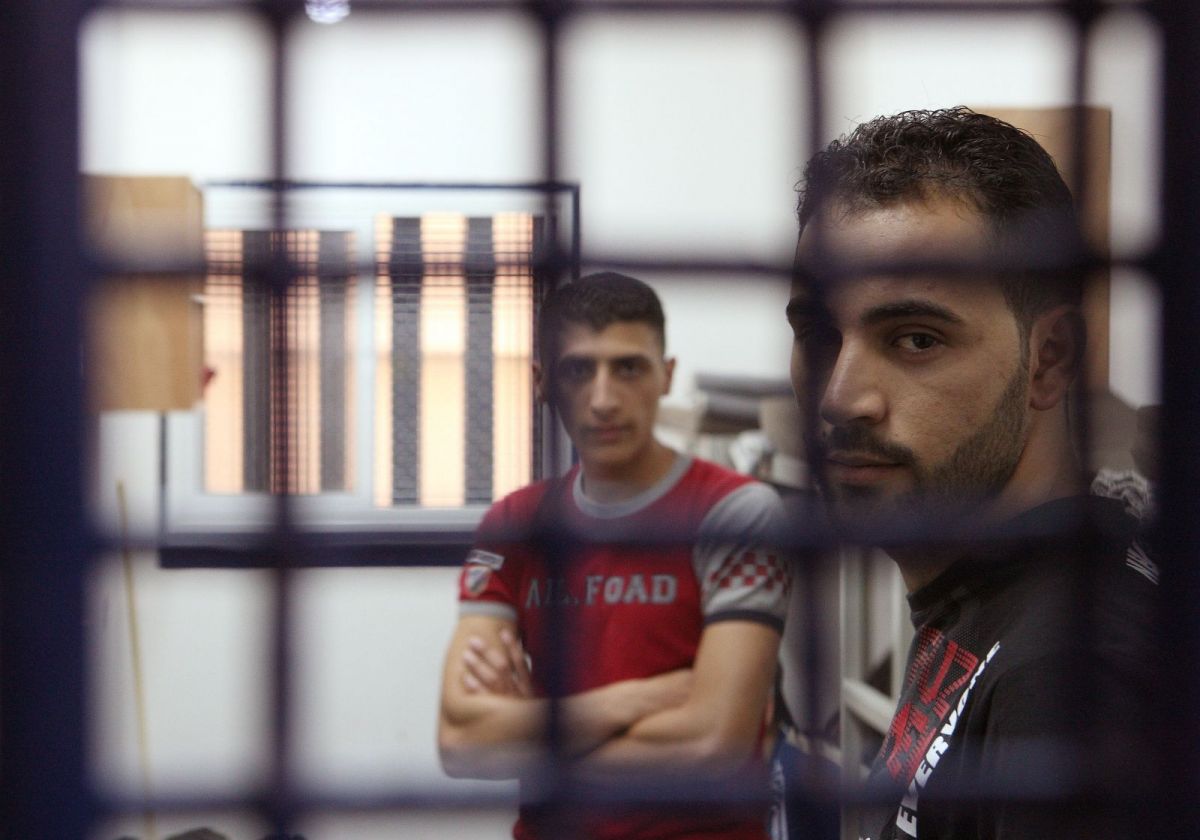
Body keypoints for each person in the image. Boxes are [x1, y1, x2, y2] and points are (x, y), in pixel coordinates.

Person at [787, 108, 1162, 839]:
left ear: (1049, 358)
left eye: (915, 338)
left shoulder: (1072, 678)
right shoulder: (983, 596)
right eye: (817, 333)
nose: (839, 398)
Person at [438, 272, 791, 839]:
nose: (603, 400)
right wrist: (637, 699)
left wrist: (535, 737)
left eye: (628, 368)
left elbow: (713, 744)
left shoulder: (735, 512)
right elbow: (460, 741)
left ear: (665, 375)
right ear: (543, 382)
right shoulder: (515, 525)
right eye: (579, 371)